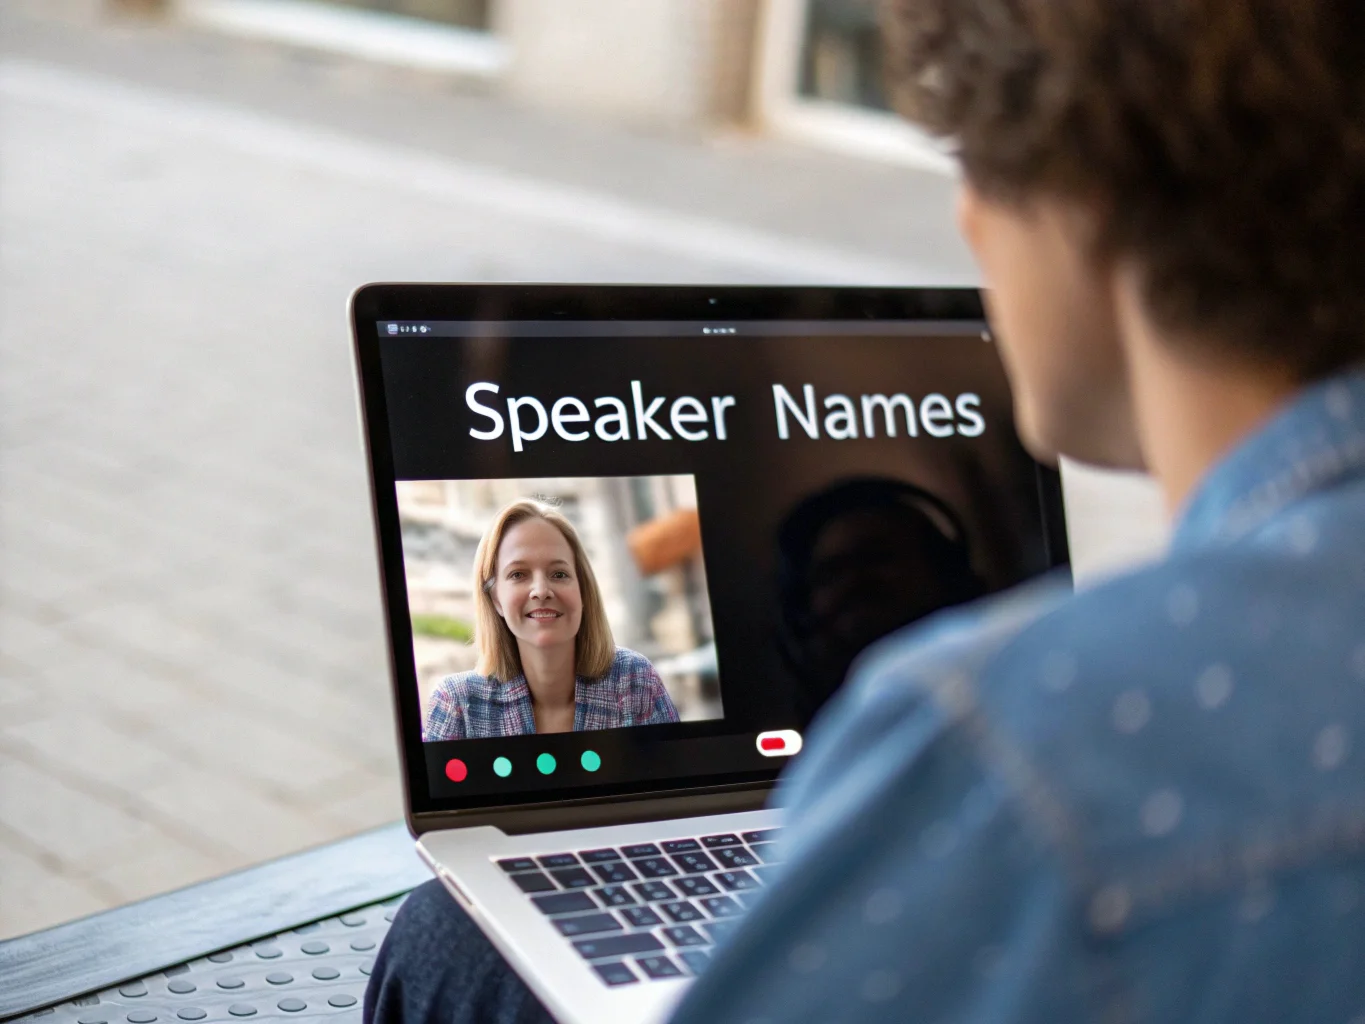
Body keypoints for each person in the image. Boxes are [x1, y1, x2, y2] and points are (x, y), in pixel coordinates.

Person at [368, 1, 1365, 1020]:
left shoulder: (1016, 742)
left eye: (979, 166)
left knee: (448, 940)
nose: (968, 222)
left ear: (1088, 203)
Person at [421, 499, 678, 740]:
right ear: (495, 599)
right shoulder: (457, 705)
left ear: (583, 592)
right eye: (518, 574)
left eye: (558, 574)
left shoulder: (634, 682)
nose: (541, 590)